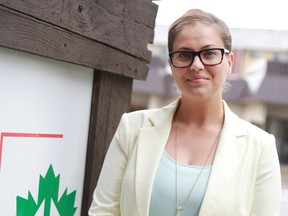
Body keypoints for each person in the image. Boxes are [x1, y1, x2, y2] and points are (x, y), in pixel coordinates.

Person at [89, 9, 281, 216]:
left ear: (229, 62)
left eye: (209, 53)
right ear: (171, 64)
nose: (196, 65)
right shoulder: (134, 127)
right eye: (184, 55)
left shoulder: (260, 147)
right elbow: (103, 211)